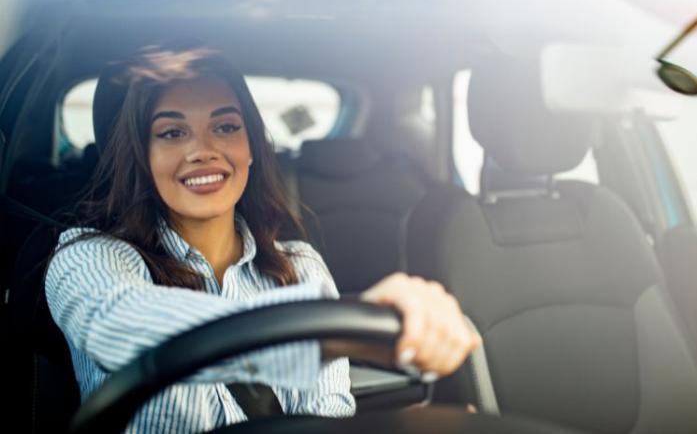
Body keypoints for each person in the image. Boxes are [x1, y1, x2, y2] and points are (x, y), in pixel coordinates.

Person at [44, 41, 481, 432]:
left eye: (226, 126)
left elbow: (327, 415)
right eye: (172, 132)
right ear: (142, 154)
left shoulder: (300, 265)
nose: (203, 150)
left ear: (251, 146)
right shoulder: (87, 257)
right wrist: (330, 333)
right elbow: (116, 323)